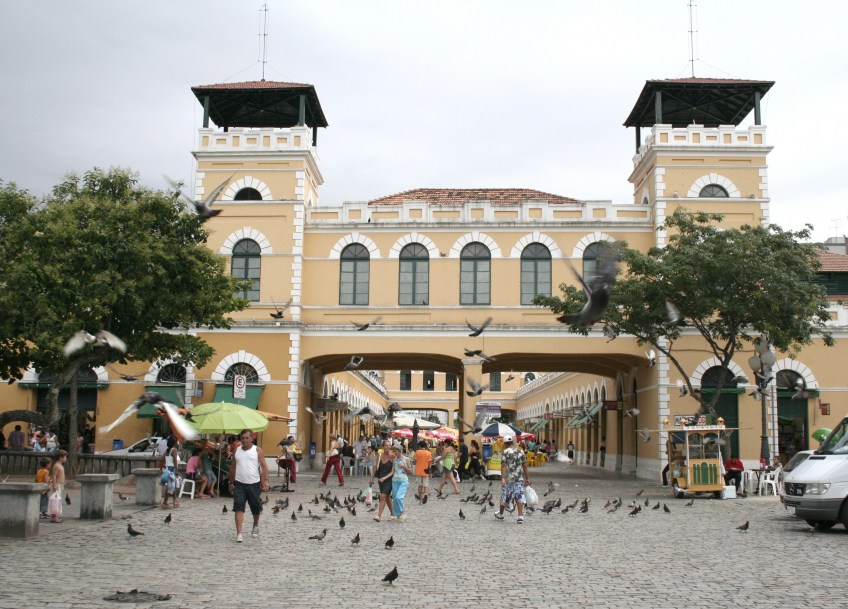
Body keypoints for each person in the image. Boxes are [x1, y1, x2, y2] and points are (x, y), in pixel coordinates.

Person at [227, 429, 270, 543]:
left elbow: (264, 466)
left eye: (247, 438)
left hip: (254, 483)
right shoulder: (237, 451)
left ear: (251, 438)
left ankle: (255, 525)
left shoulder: (257, 450)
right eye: (242, 438)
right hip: (239, 483)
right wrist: (231, 482)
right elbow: (233, 467)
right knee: (239, 507)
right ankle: (239, 533)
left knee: (255, 507)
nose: (245, 440)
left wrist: (265, 481)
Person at [494, 435, 531, 524]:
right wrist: (527, 478)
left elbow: (503, 465)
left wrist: (502, 478)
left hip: (508, 479)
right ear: (512, 443)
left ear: (505, 443)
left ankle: (501, 514)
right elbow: (524, 465)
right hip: (519, 478)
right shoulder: (520, 451)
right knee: (519, 496)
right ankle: (520, 516)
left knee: (505, 495)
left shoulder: (505, 452)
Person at [370, 440, 394, 522]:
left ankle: (378, 515)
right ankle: (393, 514)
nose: (388, 447)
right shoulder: (379, 455)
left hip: (390, 479)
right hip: (381, 480)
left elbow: (393, 471)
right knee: (387, 498)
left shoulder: (392, 456)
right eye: (386, 445)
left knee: (383, 496)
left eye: (389, 445)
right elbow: (375, 467)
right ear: (383, 447)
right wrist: (371, 479)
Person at [390, 445, 413, 521]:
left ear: (400, 451)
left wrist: (403, 466)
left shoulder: (406, 459)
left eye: (396, 451)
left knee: (399, 497)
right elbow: (392, 471)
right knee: (395, 499)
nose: (394, 453)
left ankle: (403, 512)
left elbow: (410, 471)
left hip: (403, 480)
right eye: (394, 451)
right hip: (395, 480)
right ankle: (397, 515)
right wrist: (384, 478)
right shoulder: (394, 459)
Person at [160, 436, 181, 509]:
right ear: (175, 443)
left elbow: (162, 460)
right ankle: (165, 502)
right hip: (172, 470)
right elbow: (175, 460)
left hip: (167, 469)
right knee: (170, 487)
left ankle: (175, 501)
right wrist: (177, 470)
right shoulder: (174, 450)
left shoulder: (167, 450)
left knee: (172, 486)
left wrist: (160, 469)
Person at [49, 449, 67, 523]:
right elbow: (54, 476)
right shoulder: (57, 465)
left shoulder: (60, 465)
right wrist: (54, 485)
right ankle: (54, 517)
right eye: (65, 457)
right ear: (60, 457)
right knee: (56, 501)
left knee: (57, 501)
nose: (66, 458)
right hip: (58, 485)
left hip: (60, 485)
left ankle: (54, 516)